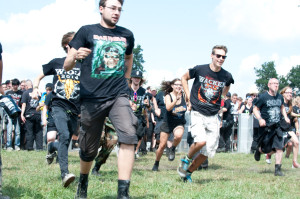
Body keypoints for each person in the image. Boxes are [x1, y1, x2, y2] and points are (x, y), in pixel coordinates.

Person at [63, 0, 136, 198]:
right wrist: (76, 55)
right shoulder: (86, 31)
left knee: (129, 134)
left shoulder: (127, 34)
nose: (117, 12)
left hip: (118, 94)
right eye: (113, 8)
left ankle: (123, 193)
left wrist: (127, 81)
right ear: (101, 8)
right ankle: (84, 181)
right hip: (91, 98)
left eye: (120, 9)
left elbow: (128, 58)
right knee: (88, 149)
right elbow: (67, 64)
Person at [177, 45, 234, 182]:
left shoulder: (226, 75)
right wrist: (188, 96)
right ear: (212, 55)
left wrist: (222, 98)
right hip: (197, 111)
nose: (221, 59)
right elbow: (184, 78)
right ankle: (186, 159)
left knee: (208, 152)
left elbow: (228, 84)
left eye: (223, 57)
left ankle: (187, 173)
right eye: (218, 56)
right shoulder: (200, 69)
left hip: (213, 115)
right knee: (201, 141)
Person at [32, 31, 80, 187]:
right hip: (58, 105)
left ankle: (53, 146)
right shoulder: (57, 62)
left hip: (74, 108)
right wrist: (35, 88)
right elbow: (39, 76)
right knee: (64, 135)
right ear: (67, 45)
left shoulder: (83, 65)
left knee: (68, 137)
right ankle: (65, 174)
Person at [252, 78, 290, 176]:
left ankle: (277, 170)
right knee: (266, 149)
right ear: (269, 85)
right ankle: (259, 150)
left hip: (277, 127)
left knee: (279, 147)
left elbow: (282, 107)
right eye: (274, 83)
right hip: (266, 127)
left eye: (277, 84)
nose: (276, 85)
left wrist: (285, 117)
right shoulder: (263, 97)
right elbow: (255, 109)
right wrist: (260, 119)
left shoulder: (280, 97)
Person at [152, 78, 187, 171]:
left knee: (178, 136)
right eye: (176, 84)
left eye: (180, 85)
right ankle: (156, 163)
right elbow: (168, 108)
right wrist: (176, 99)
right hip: (167, 122)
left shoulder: (184, 95)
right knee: (162, 145)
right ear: (172, 86)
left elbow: (189, 104)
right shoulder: (168, 96)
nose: (179, 86)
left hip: (179, 122)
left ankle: (172, 148)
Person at [265, 87, 300, 168]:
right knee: (280, 147)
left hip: (288, 128)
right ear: (283, 93)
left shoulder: (290, 104)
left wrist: (298, 115)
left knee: (296, 142)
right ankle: (269, 154)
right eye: (288, 93)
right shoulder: (279, 102)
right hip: (279, 127)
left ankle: (294, 162)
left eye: (291, 93)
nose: (290, 94)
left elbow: (291, 114)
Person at [128, 70, 148, 158]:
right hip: (127, 115)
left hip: (139, 116)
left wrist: (147, 104)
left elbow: (147, 106)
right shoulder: (126, 89)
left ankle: (134, 151)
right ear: (131, 78)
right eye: (135, 77)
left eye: (138, 78)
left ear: (140, 80)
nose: (136, 79)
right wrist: (129, 103)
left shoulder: (143, 91)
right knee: (129, 134)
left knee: (138, 135)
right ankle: (126, 151)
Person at [20, 80, 43, 151]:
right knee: (38, 131)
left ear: (26, 86)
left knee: (29, 131)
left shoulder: (25, 93)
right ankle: (39, 147)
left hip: (29, 114)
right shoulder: (38, 92)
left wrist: (22, 114)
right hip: (37, 114)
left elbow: (24, 104)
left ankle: (29, 147)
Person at [6, 78, 23, 151]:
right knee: (9, 131)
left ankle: (17, 145)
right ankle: (9, 145)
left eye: (16, 85)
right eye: (13, 85)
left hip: (18, 114)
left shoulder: (21, 93)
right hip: (9, 113)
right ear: (11, 85)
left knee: (17, 131)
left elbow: (23, 104)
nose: (15, 86)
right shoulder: (8, 93)